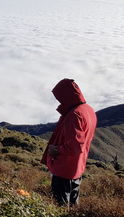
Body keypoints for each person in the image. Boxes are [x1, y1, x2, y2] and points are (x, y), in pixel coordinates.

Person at [41, 78, 97, 207]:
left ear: (66, 95)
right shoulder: (89, 110)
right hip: (77, 167)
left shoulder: (74, 115)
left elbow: (76, 146)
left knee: (60, 206)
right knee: (72, 206)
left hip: (64, 169)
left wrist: (57, 150)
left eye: (60, 97)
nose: (59, 100)